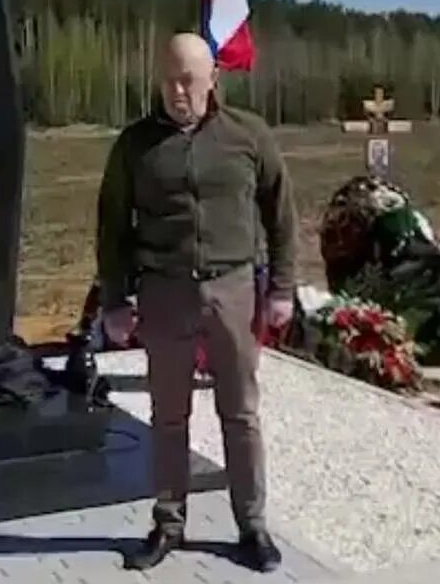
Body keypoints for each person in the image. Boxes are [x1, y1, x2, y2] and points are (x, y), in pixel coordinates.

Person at [95, 32, 299, 572]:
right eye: (168, 79)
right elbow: (111, 228)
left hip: (233, 291)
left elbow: (281, 216)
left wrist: (281, 289)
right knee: (168, 416)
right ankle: (168, 521)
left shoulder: (248, 136)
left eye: (187, 79)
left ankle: (251, 525)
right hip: (165, 293)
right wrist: (115, 300)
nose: (177, 91)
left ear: (213, 79)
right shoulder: (135, 146)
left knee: (241, 413)